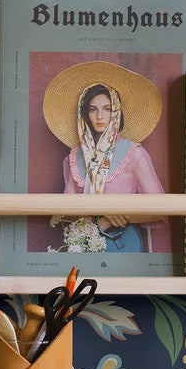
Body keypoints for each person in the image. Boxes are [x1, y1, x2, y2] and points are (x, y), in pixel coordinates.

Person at [44, 62, 166, 253]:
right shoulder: (74, 158)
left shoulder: (134, 153)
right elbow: (66, 212)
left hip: (122, 243)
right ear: (85, 114)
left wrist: (110, 219)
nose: (100, 116)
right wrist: (98, 219)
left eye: (107, 109)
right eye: (93, 109)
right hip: (82, 244)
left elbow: (159, 209)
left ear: (116, 112)